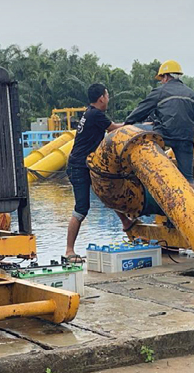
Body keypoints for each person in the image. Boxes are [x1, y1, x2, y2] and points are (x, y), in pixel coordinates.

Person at [64, 83, 128, 263]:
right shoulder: (96, 115)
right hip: (79, 167)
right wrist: (136, 125)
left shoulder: (89, 112)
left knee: (107, 191)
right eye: (107, 96)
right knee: (82, 208)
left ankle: (126, 222)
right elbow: (114, 128)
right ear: (101, 98)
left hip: (87, 164)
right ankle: (69, 250)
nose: (108, 99)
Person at [125, 60, 194, 182]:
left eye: (161, 78)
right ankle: (193, 200)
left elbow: (141, 110)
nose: (161, 81)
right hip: (187, 137)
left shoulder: (160, 91)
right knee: (188, 177)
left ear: (166, 76)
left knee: (143, 131)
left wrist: (127, 124)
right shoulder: (192, 93)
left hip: (166, 135)